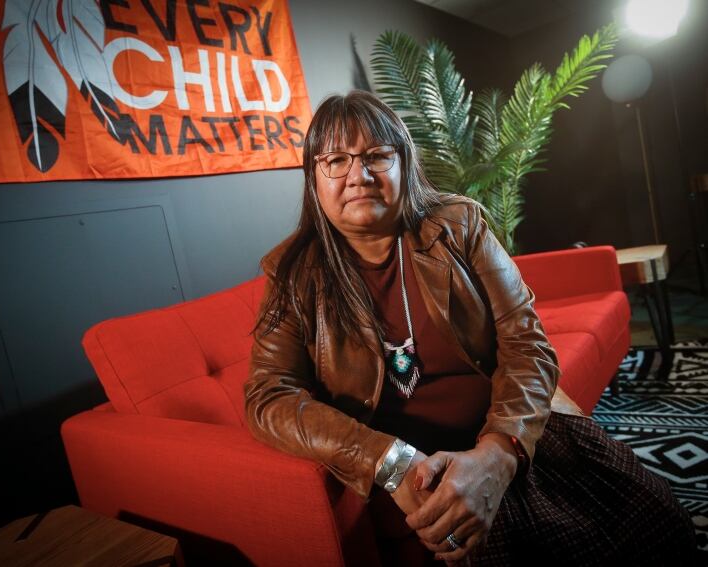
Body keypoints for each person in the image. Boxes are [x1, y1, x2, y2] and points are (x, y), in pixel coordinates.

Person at [244, 90, 697, 566]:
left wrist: (498, 453)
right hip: (416, 470)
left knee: (657, 517)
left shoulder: (459, 225)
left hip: (501, 427)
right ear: (313, 177)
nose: (359, 175)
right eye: (335, 159)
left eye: (377, 155)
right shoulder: (293, 272)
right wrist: (391, 461)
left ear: (404, 164)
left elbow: (526, 341)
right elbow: (268, 396)